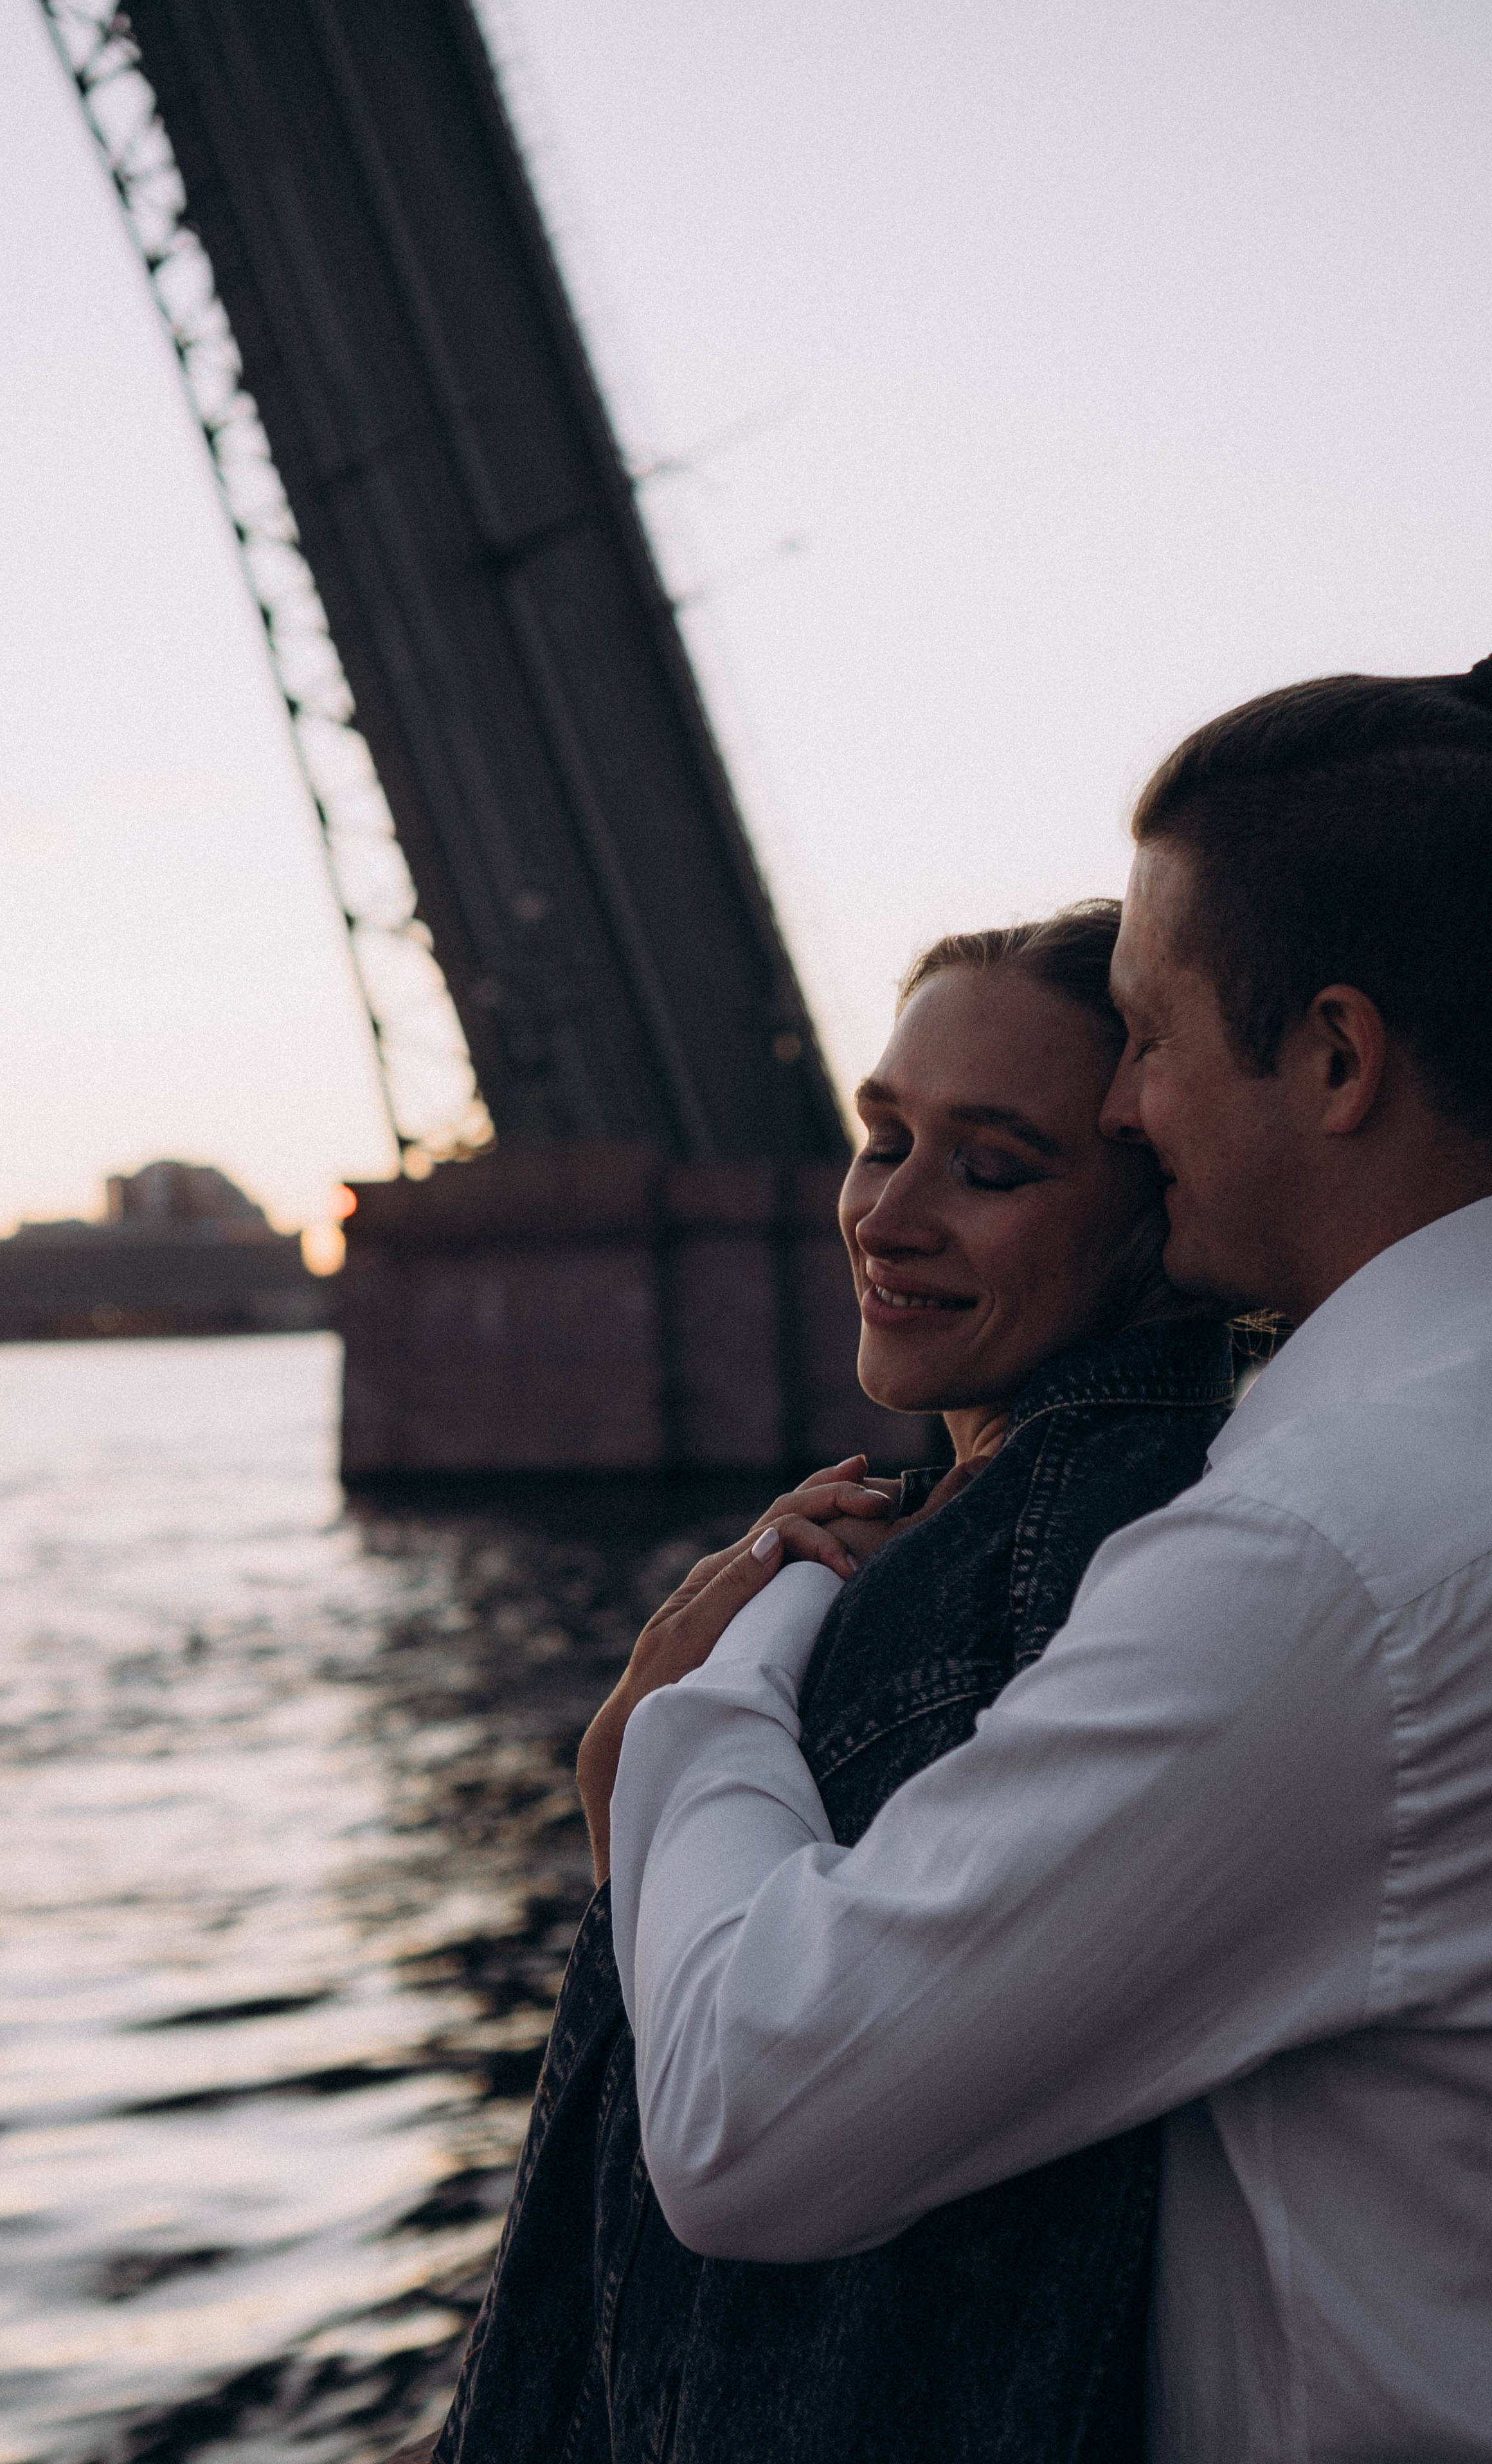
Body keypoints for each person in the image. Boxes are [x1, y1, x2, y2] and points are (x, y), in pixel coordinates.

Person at [608, 661, 1492, 2461]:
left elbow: (746, 2120)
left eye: (1150, 1038)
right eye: (880, 1136)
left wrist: (690, 1720)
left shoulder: (1313, 1553)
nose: (1137, 1110)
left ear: (1337, 1056)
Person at [435, 903, 1234, 2463]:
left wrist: (661, 1746)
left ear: (1159, 1211)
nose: (890, 1215)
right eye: (882, 1142)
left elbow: (712, 2179)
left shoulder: (945, 1596)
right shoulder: (1103, 1519)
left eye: (991, 1168)